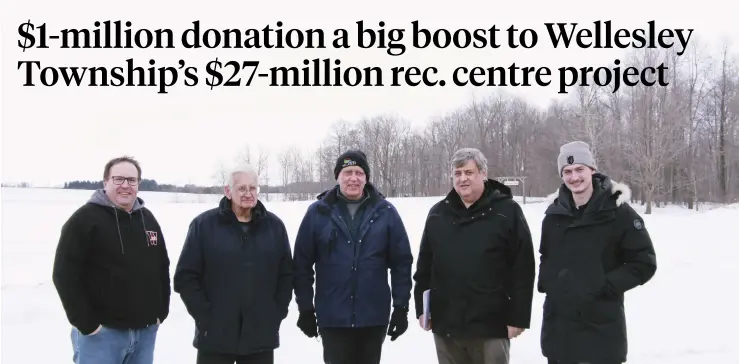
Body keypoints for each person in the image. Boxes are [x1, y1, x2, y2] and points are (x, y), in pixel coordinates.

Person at [412, 147, 536, 364]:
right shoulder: (438, 214)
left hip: (491, 326)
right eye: (457, 174)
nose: (462, 179)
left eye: (469, 173)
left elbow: (523, 267)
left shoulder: (506, 212)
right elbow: (424, 266)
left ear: (483, 174)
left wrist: (518, 316)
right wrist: (422, 308)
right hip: (447, 326)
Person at [538, 141, 658, 364]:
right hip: (560, 333)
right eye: (567, 171)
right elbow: (547, 257)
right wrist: (550, 283)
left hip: (601, 333)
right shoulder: (554, 214)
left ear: (592, 170)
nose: (574, 177)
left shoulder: (618, 212)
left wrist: (603, 285)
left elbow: (644, 262)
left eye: (579, 169)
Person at [292, 150, 414, 364]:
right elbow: (301, 264)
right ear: (338, 176)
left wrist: (401, 307)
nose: (353, 178)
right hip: (333, 317)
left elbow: (401, 262)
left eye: (359, 172)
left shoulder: (385, 212)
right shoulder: (319, 213)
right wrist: (305, 308)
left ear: (366, 178)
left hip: (373, 317)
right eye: (347, 172)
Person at [52, 156, 171, 364]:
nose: (125, 185)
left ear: (138, 184)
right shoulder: (84, 220)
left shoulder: (148, 219)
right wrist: (87, 324)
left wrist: (161, 310)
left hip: (144, 334)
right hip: (102, 336)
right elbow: (64, 275)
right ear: (105, 181)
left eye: (132, 180)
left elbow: (162, 266)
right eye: (118, 179)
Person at [173, 164, 293, 364]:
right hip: (214, 337)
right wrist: (205, 317)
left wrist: (276, 312)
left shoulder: (274, 227)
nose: (248, 193)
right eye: (241, 188)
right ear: (228, 191)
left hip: (260, 336)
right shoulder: (204, 225)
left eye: (252, 188)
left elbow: (286, 275)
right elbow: (186, 277)